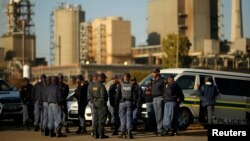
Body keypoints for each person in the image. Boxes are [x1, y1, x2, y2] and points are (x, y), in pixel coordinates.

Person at [116, 73, 137, 139]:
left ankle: (123, 133)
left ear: (124, 77)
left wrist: (116, 103)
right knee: (129, 118)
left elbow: (118, 95)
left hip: (122, 103)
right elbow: (134, 96)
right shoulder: (132, 85)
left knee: (122, 118)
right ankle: (129, 133)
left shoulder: (120, 85)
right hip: (129, 102)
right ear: (129, 78)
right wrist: (134, 103)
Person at [90, 73, 109, 139]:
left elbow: (91, 95)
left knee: (96, 119)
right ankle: (101, 134)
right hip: (101, 104)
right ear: (102, 78)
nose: (105, 80)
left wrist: (94, 102)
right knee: (101, 119)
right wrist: (104, 103)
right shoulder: (101, 86)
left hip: (95, 103)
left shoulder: (94, 85)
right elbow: (103, 96)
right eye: (104, 78)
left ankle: (95, 134)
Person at [151, 68, 165, 136]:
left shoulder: (162, 80)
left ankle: (160, 130)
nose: (152, 74)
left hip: (159, 98)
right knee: (155, 116)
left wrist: (162, 97)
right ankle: (157, 129)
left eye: (154, 72)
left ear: (158, 73)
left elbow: (164, 90)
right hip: (154, 99)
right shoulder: (153, 80)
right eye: (152, 72)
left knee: (159, 115)